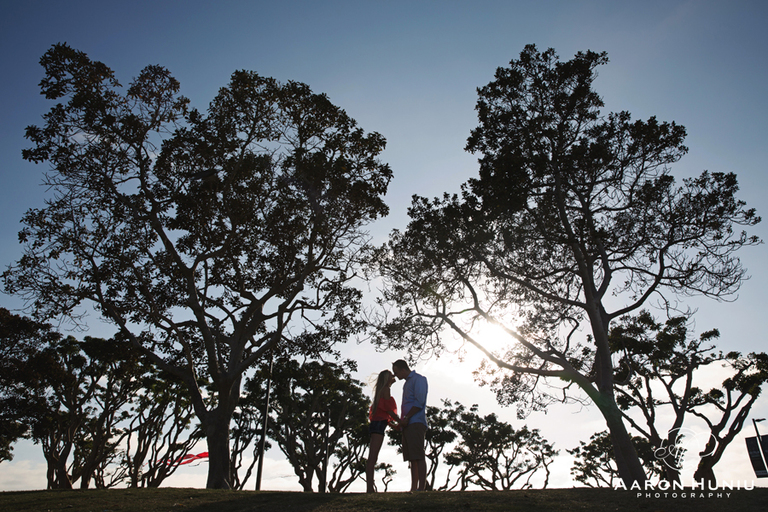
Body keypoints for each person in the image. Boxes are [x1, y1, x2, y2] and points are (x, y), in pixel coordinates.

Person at [392, 359, 428, 492]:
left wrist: (407, 417)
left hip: (416, 422)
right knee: (412, 458)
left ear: (403, 369)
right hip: (407, 424)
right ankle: (414, 487)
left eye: (396, 372)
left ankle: (421, 488)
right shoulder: (406, 383)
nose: (395, 375)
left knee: (418, 455)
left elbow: (419, 401)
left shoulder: (419, 379)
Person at [366, 369, 400, 493]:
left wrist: (393, 425)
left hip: (378, 425)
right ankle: (369, 488)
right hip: (378, 426)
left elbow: (383, 414)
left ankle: (370, 487)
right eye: (391, 375)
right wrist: (399, 421)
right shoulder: (386, 390)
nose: (394, 375)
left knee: (372, 457)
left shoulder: (381, 391)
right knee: (372, 458)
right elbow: (388, 411)